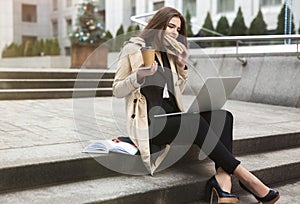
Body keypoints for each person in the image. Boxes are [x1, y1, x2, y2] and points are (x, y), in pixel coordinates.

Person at [112, 6, 280, 204]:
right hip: (149, 123)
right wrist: (139, 75)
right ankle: (248, 179)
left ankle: (223, 183)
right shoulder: (132, 49)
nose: (175, 32)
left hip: (171, 116)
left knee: (223, 116)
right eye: (170, 26)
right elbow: (117, 90)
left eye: (178, 29)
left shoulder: (169, 54)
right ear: (158, 25)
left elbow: (176, 92)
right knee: (194, 122)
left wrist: (182, 66)